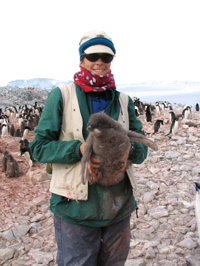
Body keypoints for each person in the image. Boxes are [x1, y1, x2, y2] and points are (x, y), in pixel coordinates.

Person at [29, 29, 148, 266]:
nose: (100, 62)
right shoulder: (62, 95)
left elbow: (142, 151)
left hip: (118, 206)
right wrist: (80, 150)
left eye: (106, 57)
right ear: (82, 60)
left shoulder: (123, 100)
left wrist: (127, 149)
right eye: (93, 57)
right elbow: (39, 148)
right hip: (75, 207)